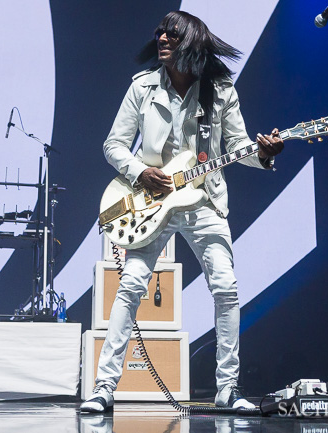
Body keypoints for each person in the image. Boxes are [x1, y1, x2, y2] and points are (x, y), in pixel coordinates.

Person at [81, 11, 284, 413]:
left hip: (204, 200)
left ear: (190, 41)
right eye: (159, 32)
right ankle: (104, 388)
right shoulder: (143, 87)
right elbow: (114, 145)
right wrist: (141, 171)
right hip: (150, 202)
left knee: (226, 289)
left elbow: (238, 146)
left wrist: (264, 155)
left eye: (171, 34)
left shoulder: (220, 91)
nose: (161, 38)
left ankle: (227, 388)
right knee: (131, 287)